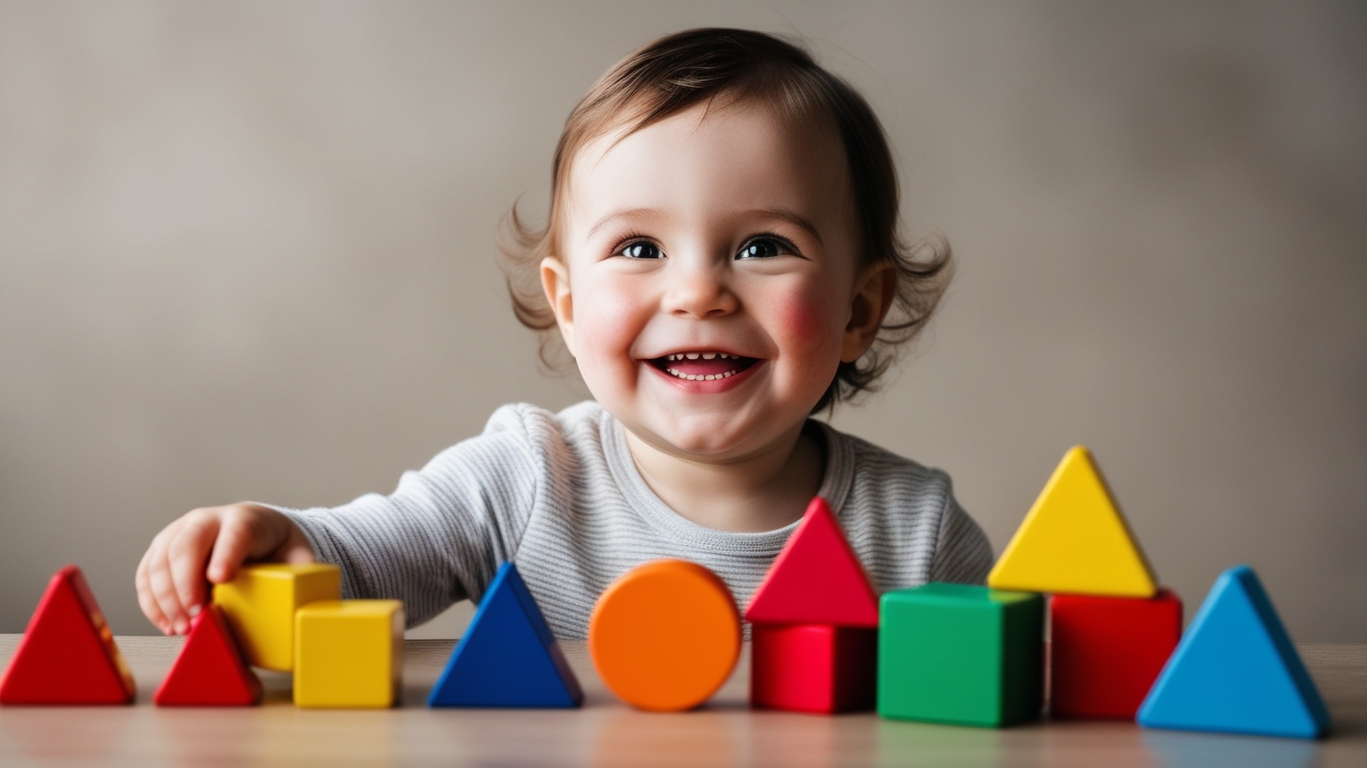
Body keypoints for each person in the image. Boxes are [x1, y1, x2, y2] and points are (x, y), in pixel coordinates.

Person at [135, 28, 993, 640]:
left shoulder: (916, 534)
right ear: (571, 304)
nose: (697, 290)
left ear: (858, 311)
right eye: (639, 247)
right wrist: (277, 539)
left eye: (762, 246)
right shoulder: (523, 481)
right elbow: (360, 559)